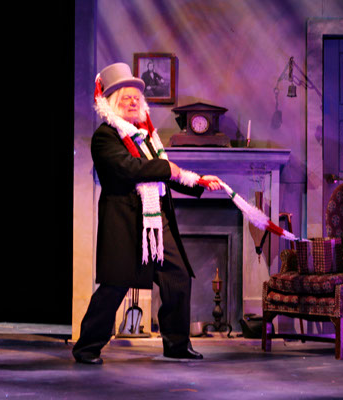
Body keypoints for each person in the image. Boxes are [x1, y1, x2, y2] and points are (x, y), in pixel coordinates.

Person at [72, 62, 222, 364]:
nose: (132, 102)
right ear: (111, 103)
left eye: (136, 98)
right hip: (124, 222)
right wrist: (168, 168)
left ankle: (176, 344)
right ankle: (87, 347)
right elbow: (129, 168)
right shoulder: (106, 137)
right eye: (125, 97)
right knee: (115, 285)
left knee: (178, 276)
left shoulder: (147, 138)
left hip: (155, 221)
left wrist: (197, 182)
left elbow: (163, 175)